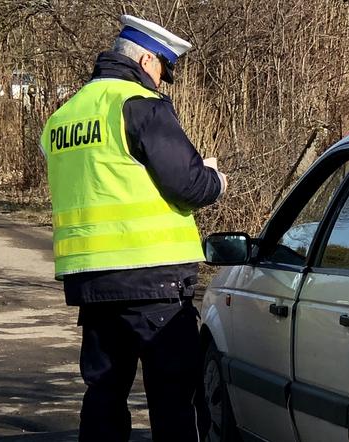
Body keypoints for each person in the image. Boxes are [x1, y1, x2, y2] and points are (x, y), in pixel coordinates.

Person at [39, 15, 226, 442]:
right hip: (155, 284)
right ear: (145, 58)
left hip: (93, 286)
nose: (162, 80)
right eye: (163, 68)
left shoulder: (64, 117)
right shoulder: (141, 105)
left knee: (103, 397)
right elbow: (189, 184)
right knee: (173, 401)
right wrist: (216, 179)